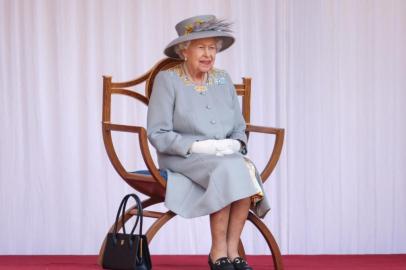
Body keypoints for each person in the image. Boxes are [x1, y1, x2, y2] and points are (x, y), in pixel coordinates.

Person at [147, 15, 270, 270]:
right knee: (231, 170)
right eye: (201, 47)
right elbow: (157, 133)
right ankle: (218, 252)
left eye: (212, 47)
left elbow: (239, 125)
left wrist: (236, 143)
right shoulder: (167, 80)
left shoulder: (223, 79)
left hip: (225, 156)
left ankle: (233, 251)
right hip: (183, 157)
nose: (208, 54)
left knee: (240, 166)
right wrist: (197, 147)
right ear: (184, 50)